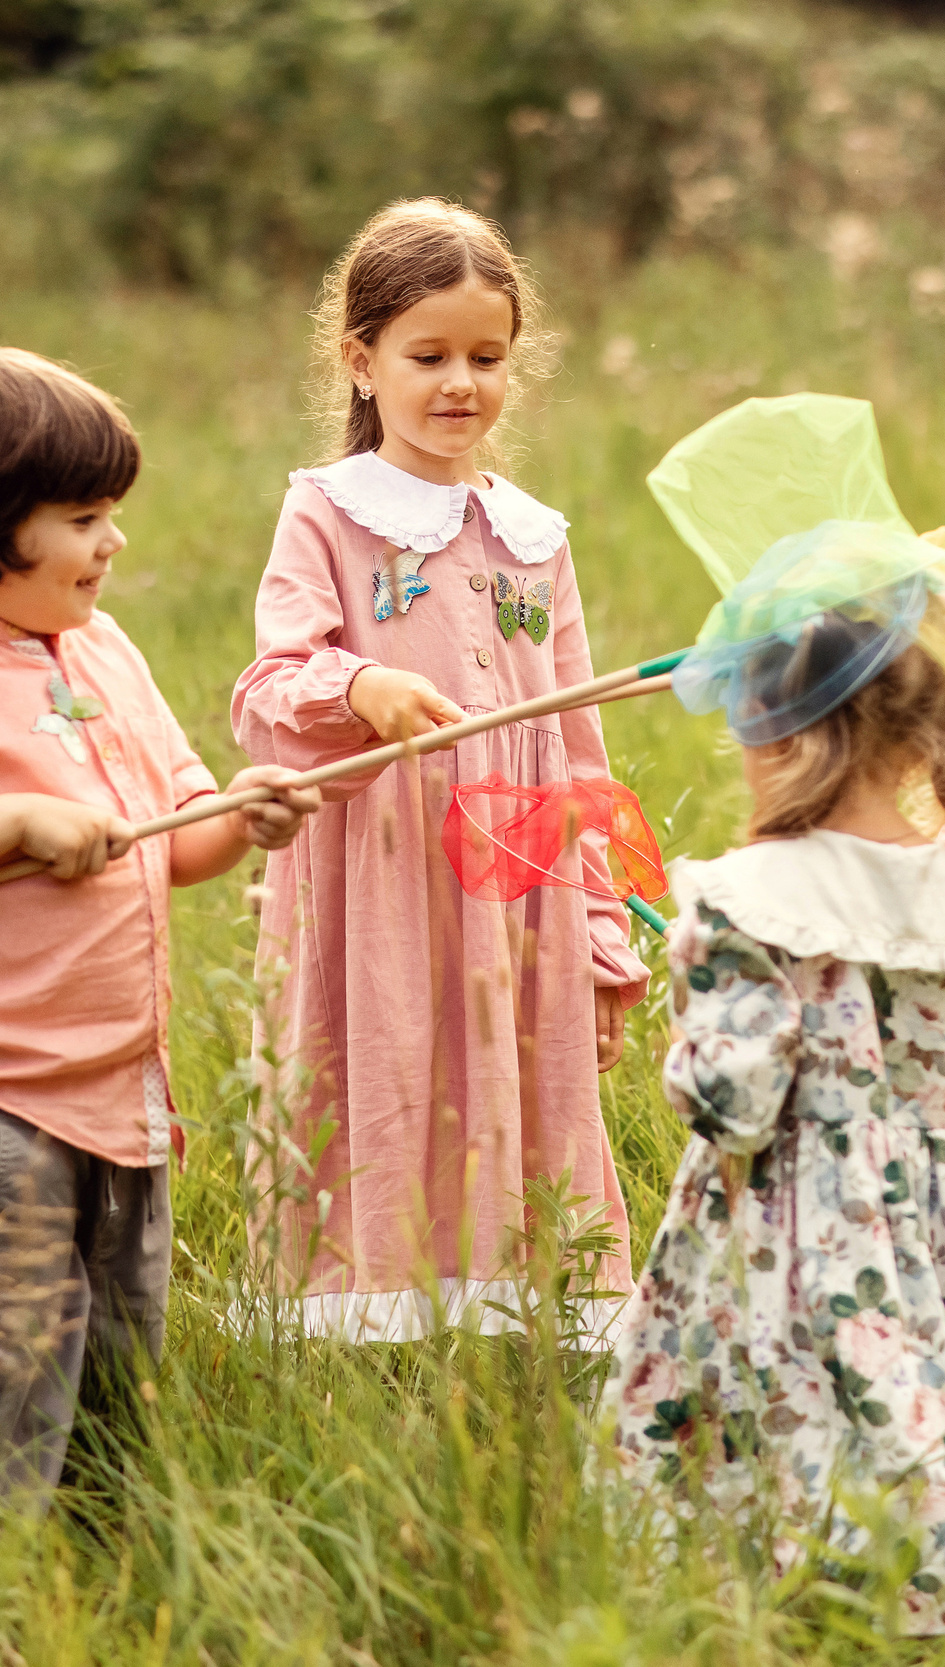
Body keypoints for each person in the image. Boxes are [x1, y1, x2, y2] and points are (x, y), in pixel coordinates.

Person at [0, 348, 320, 1583]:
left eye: (111, 517)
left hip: (119, 1109)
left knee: (108, 1411)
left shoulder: (99, 653)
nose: (111, 545)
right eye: (82, 519)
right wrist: (7, 825)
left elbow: (178, 839)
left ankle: (78, 1610)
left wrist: (247, 809)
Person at [603, 396, 945, 1639]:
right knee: (903, 1419)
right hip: (920, 1238)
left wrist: (690, 1014)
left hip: (775, 1241)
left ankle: (767, 1624)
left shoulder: (744, 900)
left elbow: (731, 1104)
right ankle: (912, 1611)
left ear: (780, 741)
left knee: (769, 1434)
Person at [230, 197, 647, 1340]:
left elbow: (576, 748)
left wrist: (603, 940)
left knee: (515, 1085)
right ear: (361, 360)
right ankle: (371, 1323)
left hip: (516, 885)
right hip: (381, 872)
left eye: (487, 357)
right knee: (390, 1068)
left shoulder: (533, 536)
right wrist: (357, 688)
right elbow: (267, 691)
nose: (460, 382)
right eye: (429, 356)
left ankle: (515, 1325)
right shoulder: (328, 513)